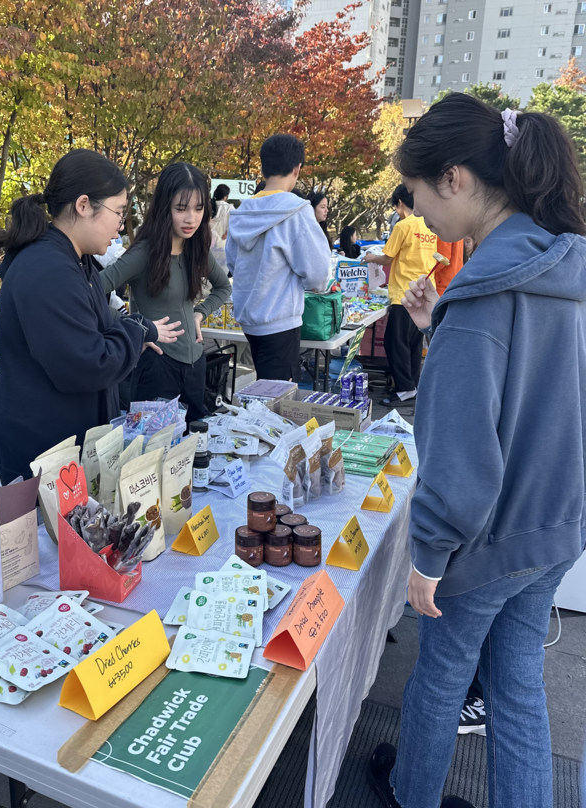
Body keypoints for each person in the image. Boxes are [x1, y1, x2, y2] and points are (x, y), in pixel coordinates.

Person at [367, 93, 586, 808]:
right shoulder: (567, 270)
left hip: (487, 539)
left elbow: (462, 455)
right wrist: (440, 331)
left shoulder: (485, 293)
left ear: (456, 178)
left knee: (441, 676)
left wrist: (428, 559)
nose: (421, 213)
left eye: (421, 193)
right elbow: (534, 394)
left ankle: (411, 794)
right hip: (559, 527)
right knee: (519, 686)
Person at [0, 149, 182, 484]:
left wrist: (135, 335)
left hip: (65, 451)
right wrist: (135, 332)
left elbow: (99, 335)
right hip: (42, 459)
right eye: (118, 213)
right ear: (83, 205)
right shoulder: (48, 270)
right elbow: (88, 364)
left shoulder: (75, 262)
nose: (120, 227)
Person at [100, 162, 231, 423]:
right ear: (164, 208)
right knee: (152, 454)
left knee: (195, 449)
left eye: (198, 208)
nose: (191, 218)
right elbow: (87, 292)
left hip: (196, 362)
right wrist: (133, 328)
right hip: (157, 365)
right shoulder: (143, 253)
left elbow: (224, 287)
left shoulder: (198, 249)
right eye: (181, 208)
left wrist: (199, 313)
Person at [226, 134, 331, 381]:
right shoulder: (296, 211)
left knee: (262, 387)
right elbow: (318, 271)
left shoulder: (243, 211)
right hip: (280, 320)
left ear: (262, 168)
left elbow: (233, 263)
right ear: (297, 169)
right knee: (277, 398)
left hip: (249, 318)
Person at [365, 184, 436, 406]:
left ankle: (405, 389)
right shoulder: (428, 225)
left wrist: (370, 258)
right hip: (425, 290)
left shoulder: (403, 226)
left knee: (395, 342)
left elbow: (387, 257)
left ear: (400, 203)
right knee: (414, 342)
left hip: (404, 293)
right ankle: (412, 385)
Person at [210, 183, 232, 249]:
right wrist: (226, 234)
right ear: (226, 196)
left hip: (208, 243)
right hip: (223, 244)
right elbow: (234, 224)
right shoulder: (230, 208)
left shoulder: (209, 206)